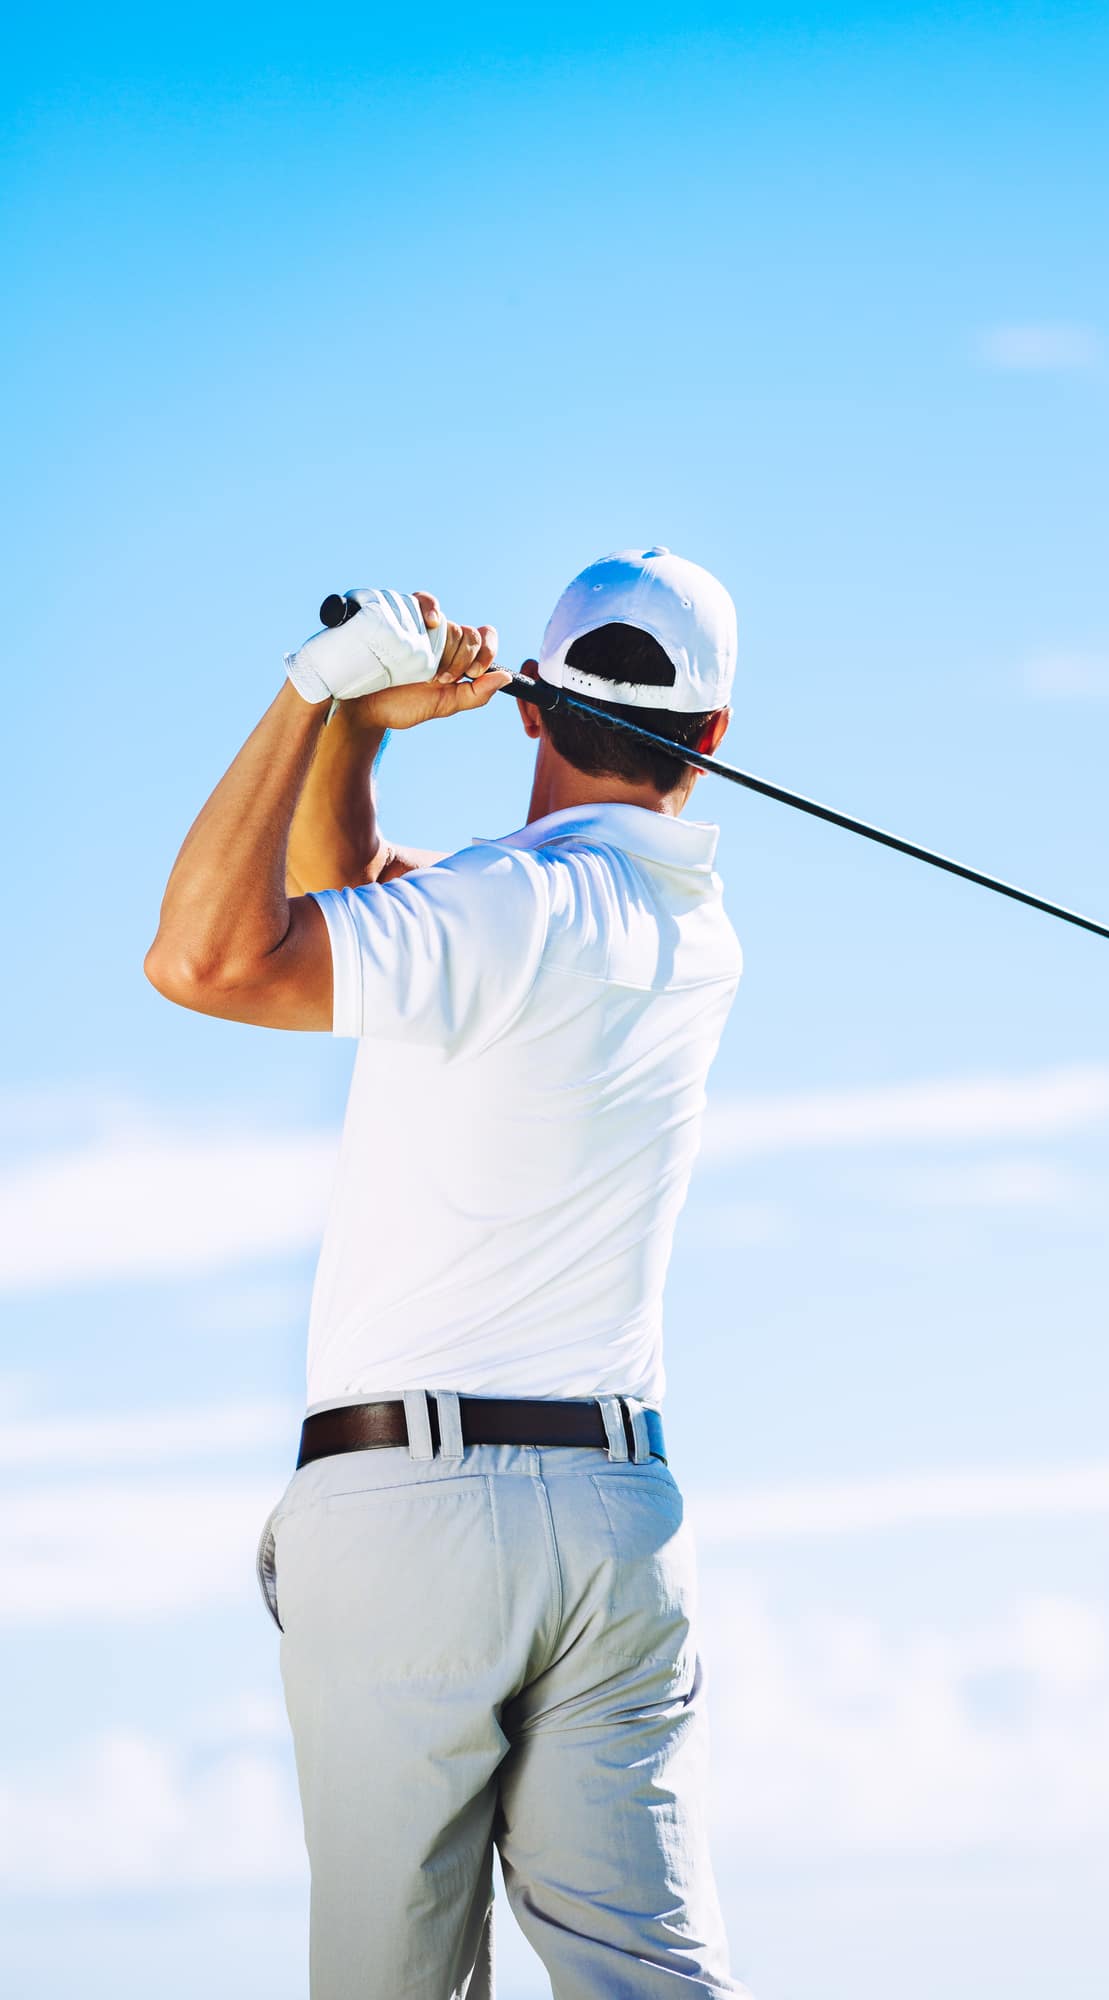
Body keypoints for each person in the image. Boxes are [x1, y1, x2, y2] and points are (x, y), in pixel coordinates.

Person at [144, 549, 749, 2000]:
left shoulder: (496, 910)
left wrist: (320, 697)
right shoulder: (690, 933)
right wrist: (352, 739)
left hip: (414, 1513)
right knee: (645, 1974)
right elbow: (356, 901)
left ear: (531, 706)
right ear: (715, 738)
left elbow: (209, 961)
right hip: (617, 1519)